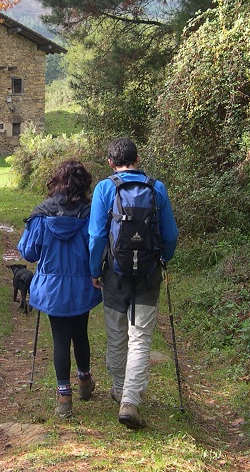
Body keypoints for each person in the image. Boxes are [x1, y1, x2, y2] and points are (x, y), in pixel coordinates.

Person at [89, 137, 179, 429]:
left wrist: (95, 270)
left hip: (114, 273)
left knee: (116, 335)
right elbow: (170, 236)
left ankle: (118, 388)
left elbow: (97, 237)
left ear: (111, 163)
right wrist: (162, 260)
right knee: (140, 338)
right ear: (138, 159)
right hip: (149, 274)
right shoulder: (157, 188)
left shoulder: (105, 188)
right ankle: (130, 400)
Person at [18, 160, 102, 418]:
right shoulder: (90, 213)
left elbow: (28, 252)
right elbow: (97, 246)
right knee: (81, 333)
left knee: (60, 339)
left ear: (57, 182)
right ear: (84, 184)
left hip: (52, 287)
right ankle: (85, 382)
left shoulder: (42, 214)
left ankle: (63, 397)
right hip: (82, 285)